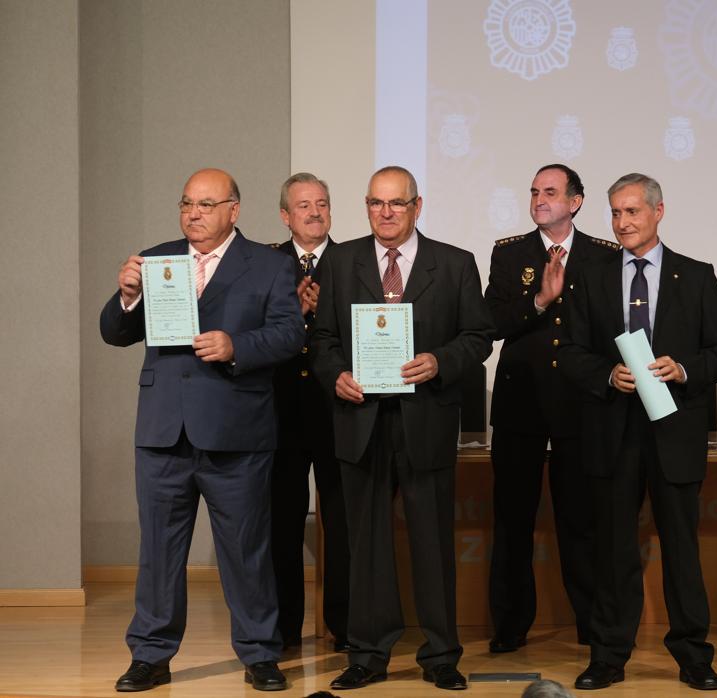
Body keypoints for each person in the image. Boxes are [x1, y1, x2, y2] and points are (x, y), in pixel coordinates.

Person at [101, 168, 304, 692]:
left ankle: (260, 653)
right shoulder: (158, 258)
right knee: (159, 553)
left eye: (206, 205)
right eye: (187, 203)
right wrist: (127, 295)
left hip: (237, 433)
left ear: (233, 210)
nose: (193, 213)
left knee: (246, 551)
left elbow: (288, 334)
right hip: (164, 431)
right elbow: (115, 332)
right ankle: (150, 654)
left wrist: (238, 346)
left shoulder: (269, 264)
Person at [309, 166, 493, 691]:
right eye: (375, 203)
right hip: (360, 420)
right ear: (365, 207)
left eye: (396, 203)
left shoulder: (454, 264)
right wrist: (335, 375)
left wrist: (439, 360)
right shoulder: (341, 261)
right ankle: (367, 655)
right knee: (365, 545)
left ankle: (440, 656)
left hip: (426, 421)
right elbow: (321, 339)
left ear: (417, 205)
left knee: (433, 544)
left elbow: (478, 336)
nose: (385, 213)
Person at [559, 173, 717, 691]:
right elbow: (569, 351)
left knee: (682, 548)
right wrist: (603, 375)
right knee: (613, 550)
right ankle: (608, 656)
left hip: (674, 432)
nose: (622, 223)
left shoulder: (696, 275)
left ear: (659, 212)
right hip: (612, 431)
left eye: (632, 212)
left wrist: (683, 370)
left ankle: (693, 656)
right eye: (615, 213)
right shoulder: (589, 275)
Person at [485, 164, 618, 652]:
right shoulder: (510, 253)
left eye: (551, 192)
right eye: (535, 192)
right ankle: (510, 626)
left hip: (581, 405)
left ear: (576, 202)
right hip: (521, 404)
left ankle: (591, 624)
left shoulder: (605, 256)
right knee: (512, 519)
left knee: (581, 520)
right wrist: (538, 300)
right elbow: (492, 321)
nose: (540, 199)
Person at [268, 172, 351, 651]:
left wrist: (324, 317)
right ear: (286, 215)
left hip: (338, 410)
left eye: (322, 203)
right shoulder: (266, 263)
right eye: (303, 205)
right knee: (282, 521)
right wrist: (293, 317)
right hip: (280, 413)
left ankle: (342, 624)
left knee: (340, 522)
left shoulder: (351, 260)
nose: (315, 212)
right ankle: (283, 630)